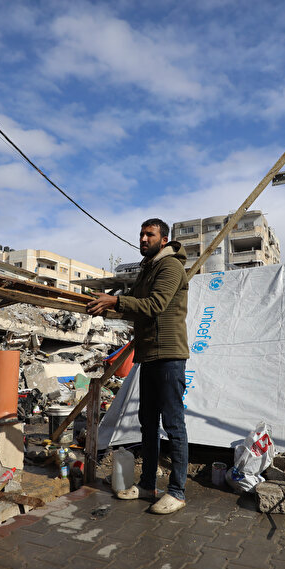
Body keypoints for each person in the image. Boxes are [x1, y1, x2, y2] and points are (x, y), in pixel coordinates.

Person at [87, 218, 189, 514]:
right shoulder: (148, 268)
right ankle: (147, 485)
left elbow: (155, 305)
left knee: (173, 424)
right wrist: (111, 306)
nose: (143, 239)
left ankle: (177, 491)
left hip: (169, 355)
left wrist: (116, 303)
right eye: (141, 234)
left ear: (164, 238)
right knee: (147, 422)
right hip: (149, 355)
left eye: (150, 234)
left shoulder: (170, 266)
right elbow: (137, 306)